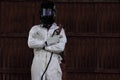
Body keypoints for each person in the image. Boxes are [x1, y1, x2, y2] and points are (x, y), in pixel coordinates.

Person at [27, 1, 67, 80]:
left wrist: (43, 47)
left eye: (49, 12)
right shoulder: (35, 29)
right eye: (44, 12)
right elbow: (31, 43)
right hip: (38, 62)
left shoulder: (59, 30)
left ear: (53, 13)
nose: (46, 14)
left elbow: (60, 47)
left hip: (54, 62)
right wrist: (47, 42)